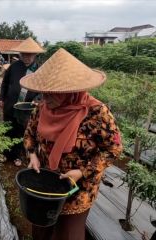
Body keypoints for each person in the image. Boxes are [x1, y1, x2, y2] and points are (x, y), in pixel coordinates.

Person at [22, 48, 123, 240]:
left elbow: (113, 150)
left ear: (71, 92)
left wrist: (82, 172)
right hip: (44, 181)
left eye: (52, 93)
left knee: (68, 234)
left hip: (78, 189)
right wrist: (32, 155)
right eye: (43, 93)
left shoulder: (97, 113)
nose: (45, 98)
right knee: (41, 228)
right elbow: (29, 135)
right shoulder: (43, 108)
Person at [0, 37, 45, 166]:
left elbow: (42, 90)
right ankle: (5, 153)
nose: (27, 57)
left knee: (21, 132)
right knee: (7, 129)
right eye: (24, 54)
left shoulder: (38, 70)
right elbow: (5, 83)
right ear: (20, 54)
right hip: (10, 105)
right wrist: (2, 98)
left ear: (35, 55)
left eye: (30, 54)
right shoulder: (14, 66)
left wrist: (37, 100)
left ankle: (17, 156)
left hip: (26, 108)